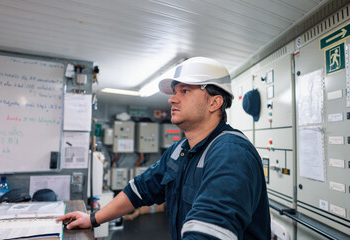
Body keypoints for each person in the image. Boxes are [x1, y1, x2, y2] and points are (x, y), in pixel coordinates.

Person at [56, 57, 271, 240]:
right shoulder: (180, 150)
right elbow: (139, 190)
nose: (171, 99)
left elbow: (208, 233)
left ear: (214, 103)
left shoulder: (231, 153)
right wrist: (92, 219)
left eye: (185, 91)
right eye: (175, 91)